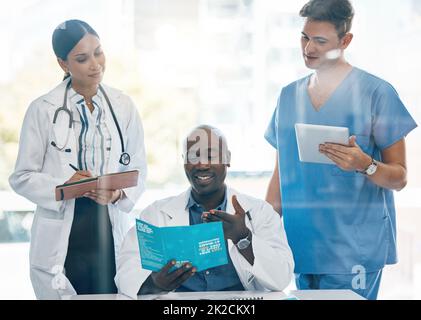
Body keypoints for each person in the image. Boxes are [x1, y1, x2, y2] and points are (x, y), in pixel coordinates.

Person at [264, 0, 417, 300]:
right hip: (300, 249)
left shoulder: (377, 94)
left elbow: (399, 178)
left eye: (320, 41)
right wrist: (258, 228)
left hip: (353, 251)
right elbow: (280, 178)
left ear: (345, 41)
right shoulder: (288, 97)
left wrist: (366, 164)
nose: (309, 48)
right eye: (305, 37)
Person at [9, 20, 147, 299]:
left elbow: (138, 169)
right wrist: (64, 184)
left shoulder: (123, 106)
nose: (95, 64)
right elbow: (22, 176)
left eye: (98, 52)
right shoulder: (42, 109)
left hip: (108, 228)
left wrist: (119, 191)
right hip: (65, 231)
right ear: (63, 64)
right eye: (82, 59)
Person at [115, 125, 293, 299]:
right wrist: (154, 285)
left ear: (227, 158)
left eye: (211, 155)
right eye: (193, 156)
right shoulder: (155, 214)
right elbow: (126, 273)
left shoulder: (259, 212)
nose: (202, 165)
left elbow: (281, 278)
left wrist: (244, 238)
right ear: (184, 161)